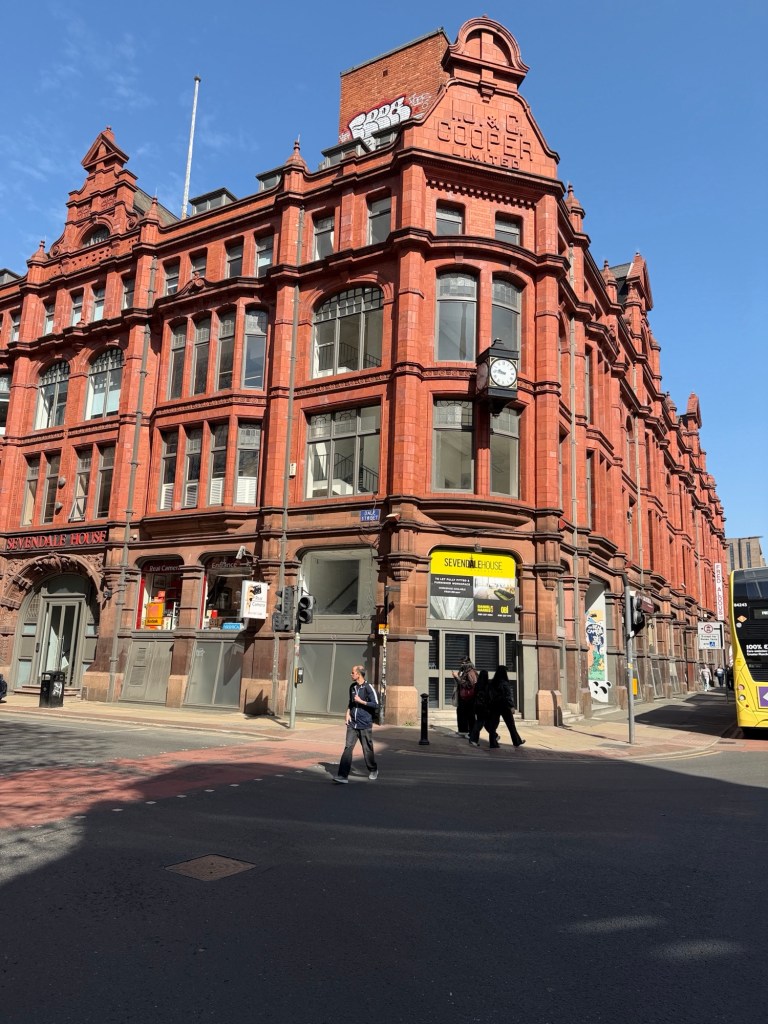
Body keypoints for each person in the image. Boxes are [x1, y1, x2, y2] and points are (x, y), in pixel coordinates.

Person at [333, 665, 379, 784]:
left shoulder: (368, 688)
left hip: (365, 723)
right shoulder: (352, 687)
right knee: (348, 748)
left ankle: (373, 769)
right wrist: (347, 713)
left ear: (358, 674)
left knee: (367, 749)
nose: (351, 674)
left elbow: (375, 704)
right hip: (352, 723)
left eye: (352, 672)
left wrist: (361, 701)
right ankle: (342, 776)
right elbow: (351, 703)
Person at [484, 666, 525, 748]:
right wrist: (512, 706)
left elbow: (489, 695)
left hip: (494, 705)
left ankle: (492, 743)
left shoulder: (492, 683)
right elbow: (508, 696)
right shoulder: (505, 683)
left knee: (493, 725)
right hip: (504, 705)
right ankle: (516, 741)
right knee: (511, 725)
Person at [451, 656, 478, 737]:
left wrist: (457, 677)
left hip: (469, 698)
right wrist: (456, 677)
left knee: (469, 715)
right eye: (461, 663)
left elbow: (470, 685)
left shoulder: (471, 672)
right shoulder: (465, 671)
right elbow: (461, 682)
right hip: (463, 697)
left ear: (467, 663)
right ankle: (463, 731)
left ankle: (471, 732)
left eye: (463, 663)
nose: (461, 665)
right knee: (461, 713)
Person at [468, 669, 492, 747]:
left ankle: (494, 735)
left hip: (477, 707)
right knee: (479, 723)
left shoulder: (477, 685)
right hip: (485, 707)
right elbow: (489, 697)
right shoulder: (488, 685)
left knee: (484, 722)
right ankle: (473, 739)